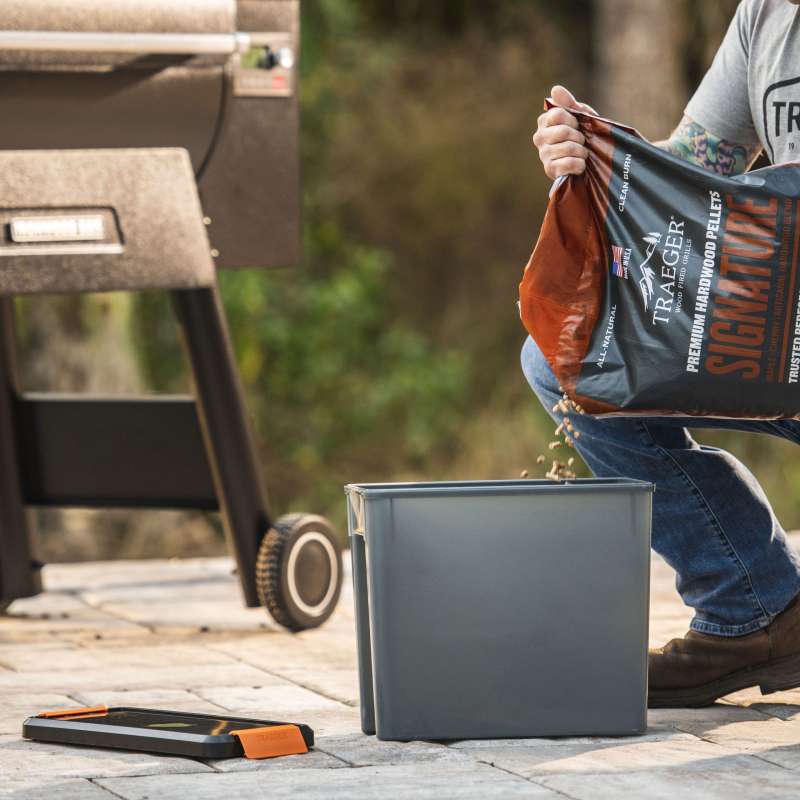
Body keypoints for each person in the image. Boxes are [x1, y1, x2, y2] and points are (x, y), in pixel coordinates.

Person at [526, 0, 800, 708]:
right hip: (783, 337)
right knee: (569, 357)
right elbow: (691, 173)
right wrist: (598, 159)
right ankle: (757, 608)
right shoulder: (764, 15)